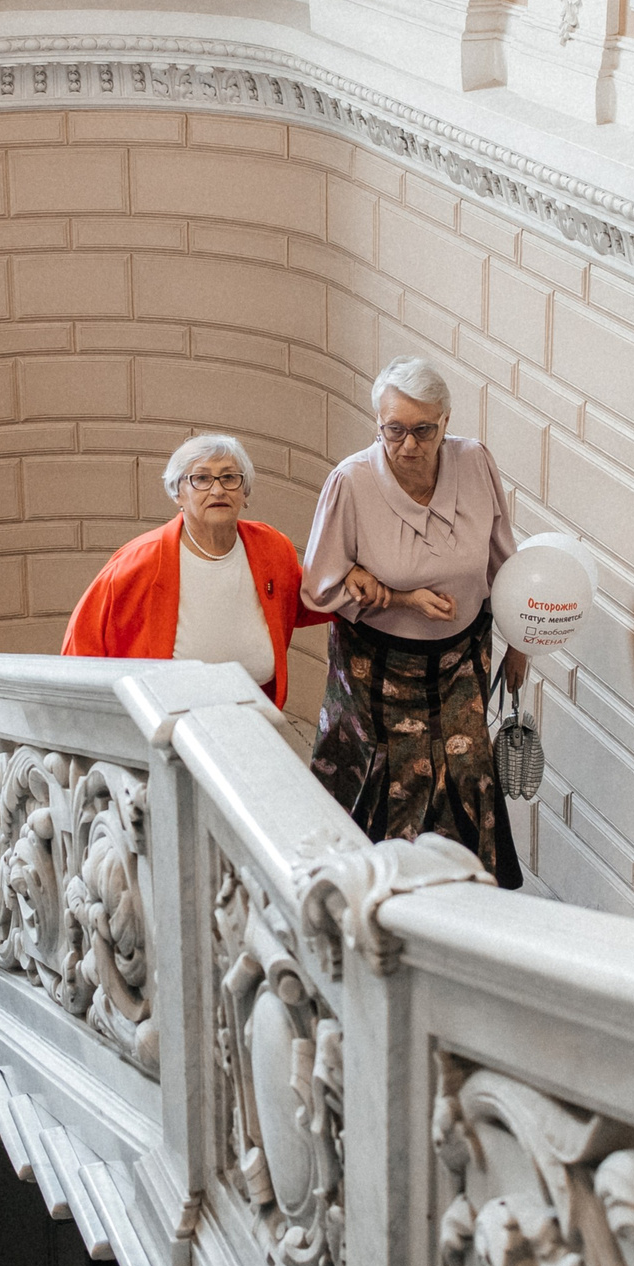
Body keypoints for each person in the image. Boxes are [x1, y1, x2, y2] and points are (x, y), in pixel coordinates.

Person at [301, 356, 530, 887]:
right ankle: (373, 893)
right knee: (394, 778)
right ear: (377, 423)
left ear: (446, 422)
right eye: (395, 430)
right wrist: (397, 597)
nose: (408, 445)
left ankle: (470, 890)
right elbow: (318, 586)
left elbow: (503, 559)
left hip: (461, 659)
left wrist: (522, 641)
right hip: (376, 667)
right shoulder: (351, 482)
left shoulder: (475, 463)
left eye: (423, 430)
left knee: (468, 769)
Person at [63, 433, 327, 707]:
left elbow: (307, 599)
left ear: (244, 492)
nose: (218, 490)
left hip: (256, 711)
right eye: (201, 479)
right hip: (167, 721)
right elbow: (81, 645)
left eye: (229, 477)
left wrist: (354, 578)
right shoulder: (137, 563)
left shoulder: (271, 547)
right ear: (178, 493)